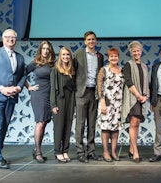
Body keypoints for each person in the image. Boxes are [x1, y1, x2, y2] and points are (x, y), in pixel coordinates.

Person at [0, 29, 27, 169]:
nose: (11, 39)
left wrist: (18, 88)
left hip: (12, 96)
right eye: (8, 37)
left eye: (13, 37)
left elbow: (23, 75)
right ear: (3, 39)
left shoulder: (19, 57)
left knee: (4, 125)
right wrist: (1, 88)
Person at [73, 31, 104, 162]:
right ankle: (80, 152)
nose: (91, 41)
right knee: (80, 123)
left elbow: (101, 75)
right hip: (81, 92)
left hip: (94, 93)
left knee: (92, 124)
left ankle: (91, 151)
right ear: (85, 41)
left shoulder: (99, 56)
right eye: (89, 39)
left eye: (93, 39)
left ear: (96, 41)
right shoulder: (78, 54)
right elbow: (72, 72)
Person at [25, 40, 56, 163]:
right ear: (40, 50)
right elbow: (22, 74)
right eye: (43, 48)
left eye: (48, 49)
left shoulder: (52, 64)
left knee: (44, 123)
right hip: (39, 94)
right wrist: (29, 87)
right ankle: (38, 152)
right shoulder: (35, 63)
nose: (46, 51)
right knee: (40, 122)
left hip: (50, 95)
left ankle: (36, 149)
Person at [121, 41, 149, 163]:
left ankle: (132, 149)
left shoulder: (144, 66)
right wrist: (138, 95)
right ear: (131, 52)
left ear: (141, 52)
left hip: (142, 98)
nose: (136, 53)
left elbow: (147, 83)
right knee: (133, 123)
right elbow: (128, 82)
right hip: (133, 98)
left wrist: (146, 96)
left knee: (137, 123)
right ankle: (135, 152)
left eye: (138, 51)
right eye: (134, 51)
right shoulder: (128, 65)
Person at [96, 47, 124, 162]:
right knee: (106, 128)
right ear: (108, 58)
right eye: (111, 56)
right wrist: (102, 101)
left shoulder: (121, 70)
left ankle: (113, 152)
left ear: (118, 57)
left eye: (115, 56)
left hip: (118, 104)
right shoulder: (104, 69)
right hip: (106, 103)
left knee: (116, 128)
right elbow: (99, 86)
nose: (114, 58)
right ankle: (106, 152)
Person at [50, 46, 76, 163]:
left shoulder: (71, 70)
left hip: (70, 99)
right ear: (60, 56)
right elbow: (52, 89)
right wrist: (53, 104)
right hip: (59, 100)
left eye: (67, 55)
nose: (66, 57)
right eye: (63, 55)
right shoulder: (55, 70)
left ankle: (65, 150)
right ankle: (57, 151)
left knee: (68, 125)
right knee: (59, 126)